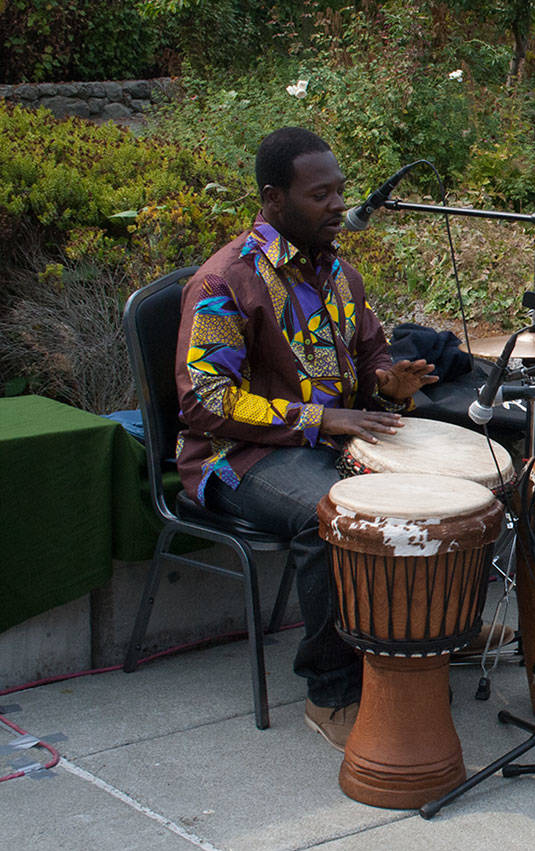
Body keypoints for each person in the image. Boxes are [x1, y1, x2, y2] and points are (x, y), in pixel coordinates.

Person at [174, 127, 436, 749]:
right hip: (235, 457)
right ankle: (333, 688)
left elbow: (372, 368)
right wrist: (321, 420)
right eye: (321, 195)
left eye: (340, 191)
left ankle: (425, 632)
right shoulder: (224, 284)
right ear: (273, 200)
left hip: (329, 444)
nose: (339, 206)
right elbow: (204, 400)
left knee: (451, 492)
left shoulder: (342, 276)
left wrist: (392, 386)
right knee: (334, 517)